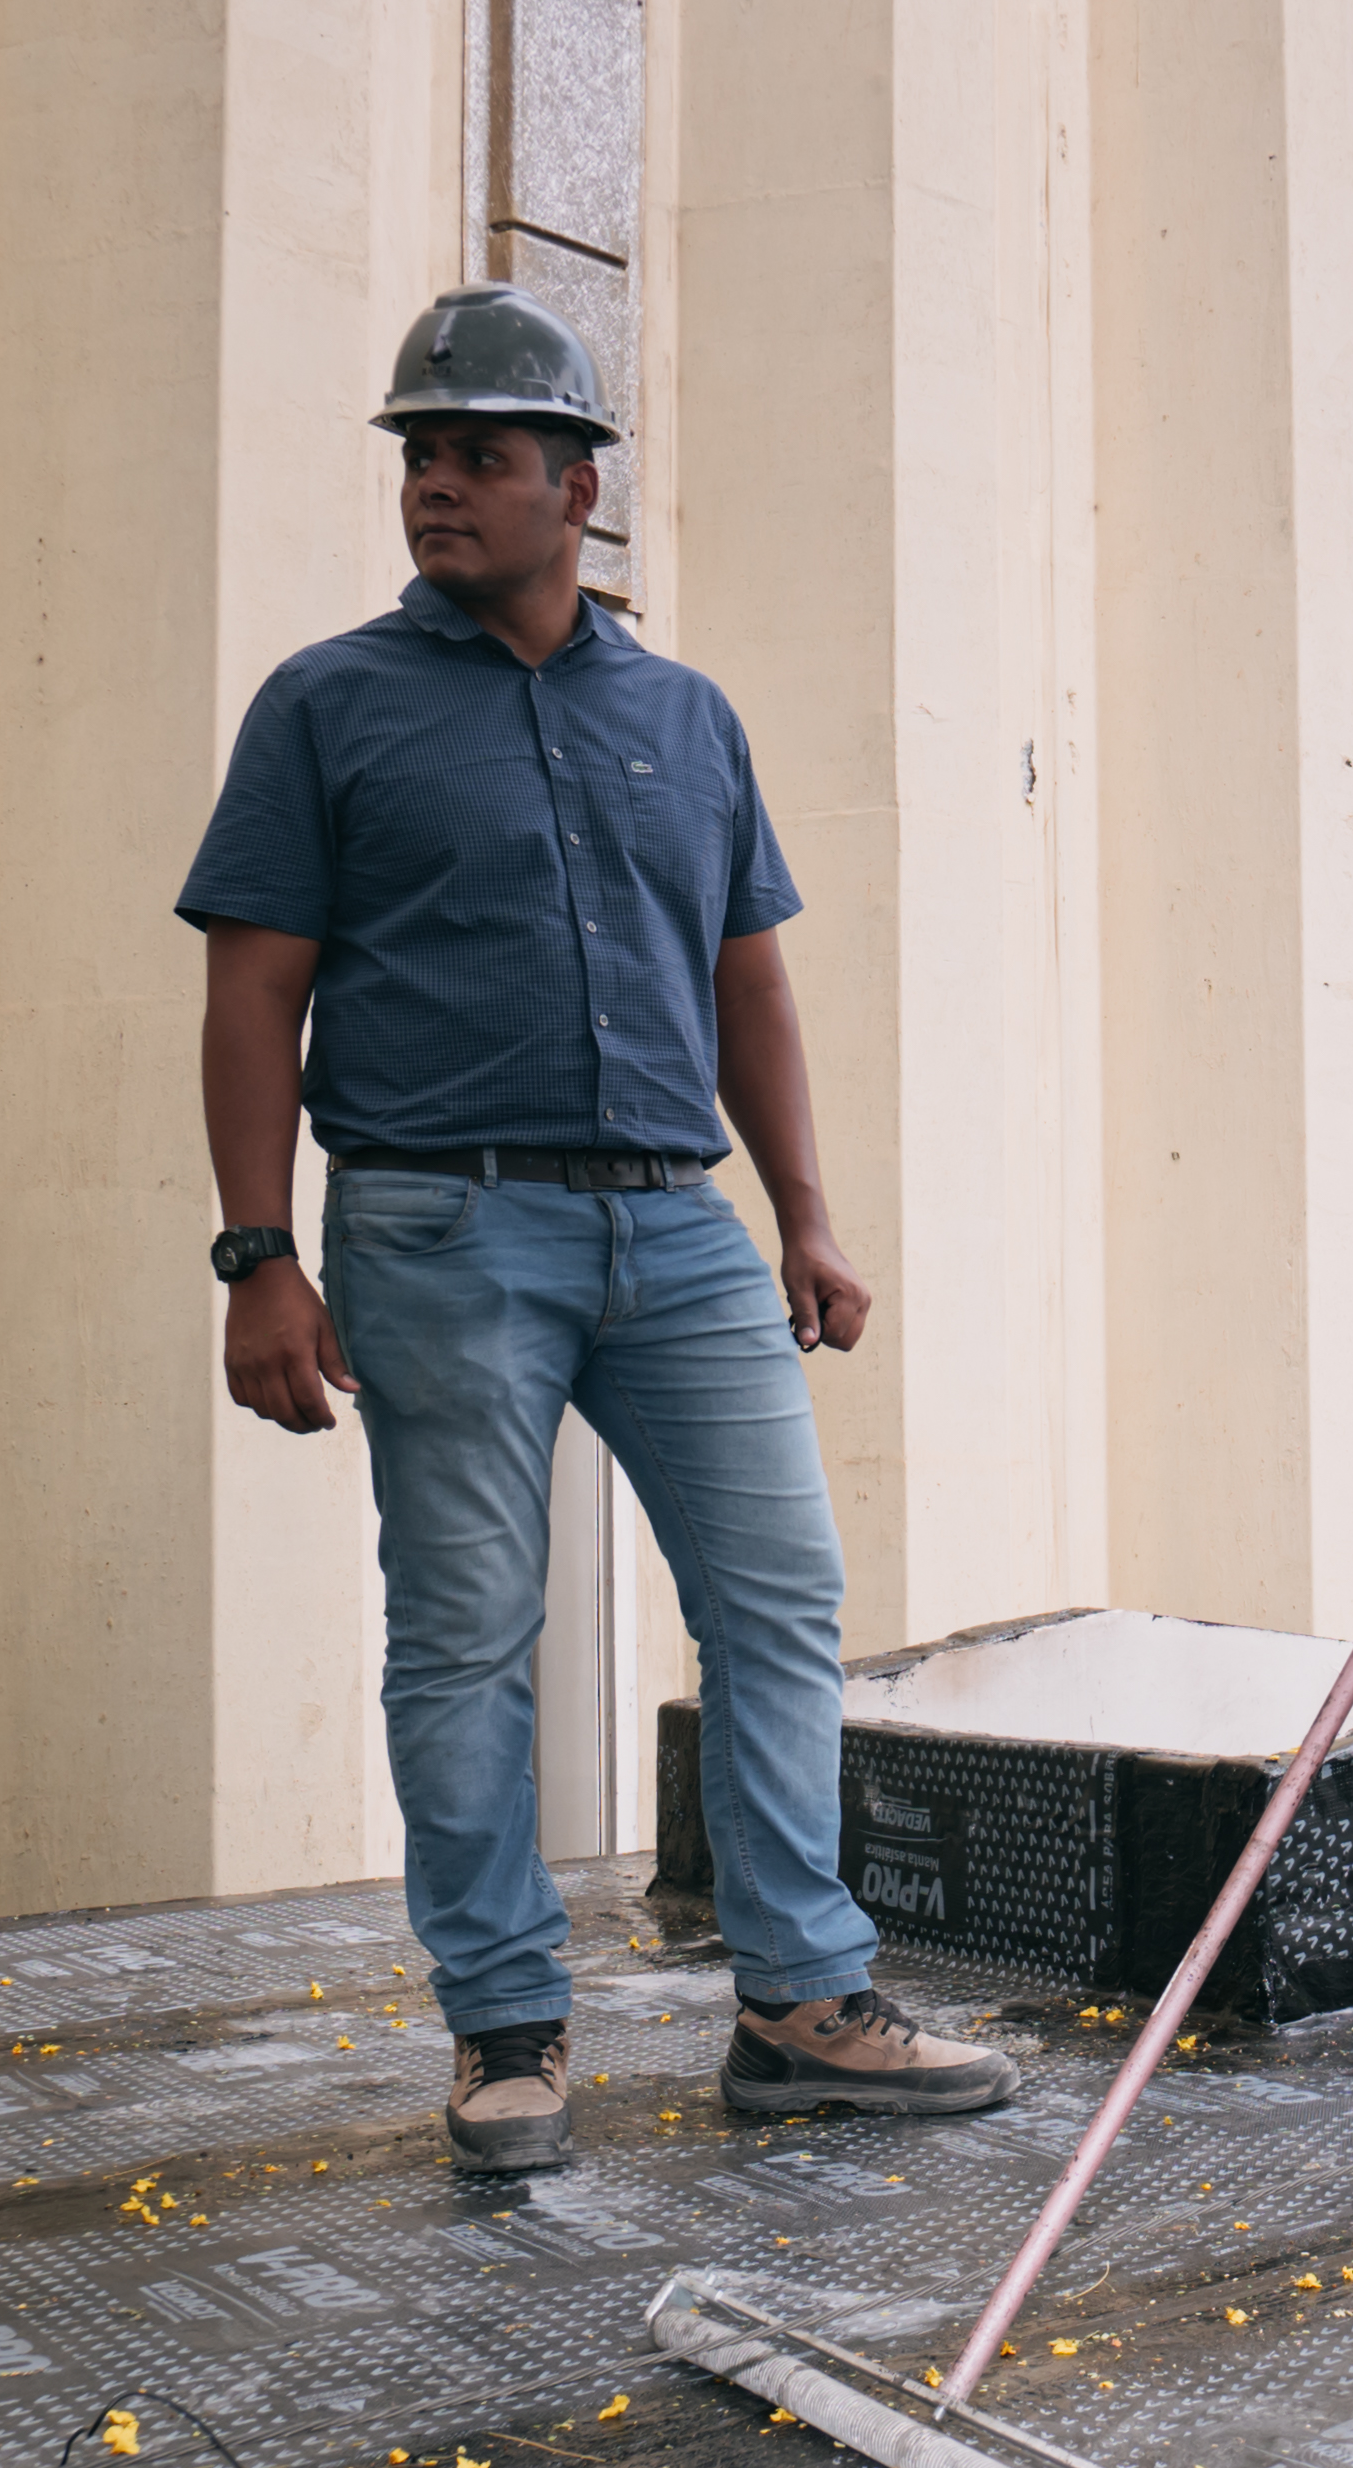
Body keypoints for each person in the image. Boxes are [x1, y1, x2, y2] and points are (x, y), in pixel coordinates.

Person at [181, 283, 1010, 2174]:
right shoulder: (327, 706)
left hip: (680, 1229)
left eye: (479, 454)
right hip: (440, 1229)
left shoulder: (685, 719)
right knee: (469, 1630)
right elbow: (253, 997)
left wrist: (803, 1215)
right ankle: (503, 2025)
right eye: (418, 454)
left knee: (780, 1596)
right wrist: (259, 1252)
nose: (437, 488)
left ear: (581, 485)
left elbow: (748, 987)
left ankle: (804, 2001)